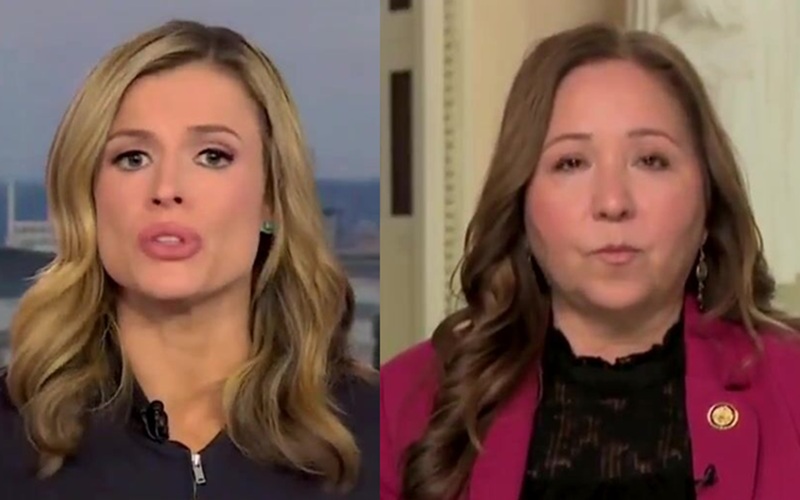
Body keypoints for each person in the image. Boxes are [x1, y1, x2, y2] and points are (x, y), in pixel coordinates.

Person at [380, 22, 800, 500]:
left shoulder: (791, 386)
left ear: (709, 199)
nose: (613, 202)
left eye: (651, 160)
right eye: (571, 163)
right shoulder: (400, 404)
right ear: (521, 202)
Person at [0, 19, 378, 499]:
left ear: (271, 198)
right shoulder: (12, 437)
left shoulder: (378, 431)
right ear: (89, 198)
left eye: (212, 156)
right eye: (133, 158)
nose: (167, 189)